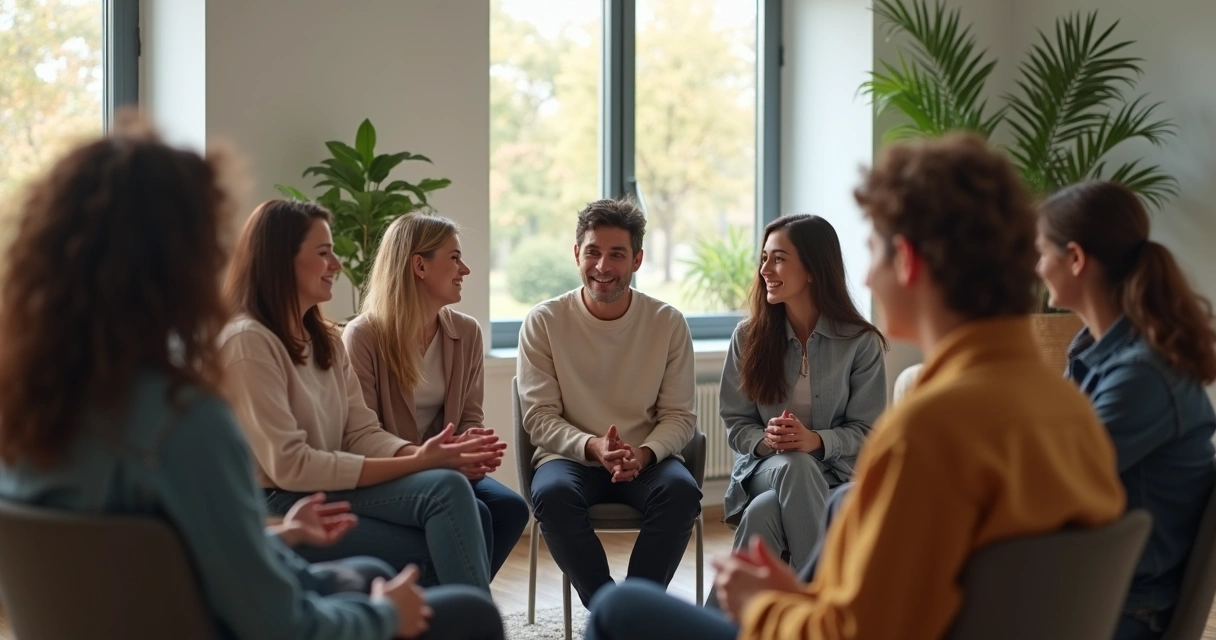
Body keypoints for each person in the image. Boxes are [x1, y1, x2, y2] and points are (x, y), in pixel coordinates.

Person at [584, 133, 1126, 640]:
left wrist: (767, 605)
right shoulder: (1068, 406)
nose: (865, 278)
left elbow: (853, 632)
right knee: (767, 514)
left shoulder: (930, 429)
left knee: (620, 608)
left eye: (873, 252)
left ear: (908, 261)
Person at [0, 116, 504, 640]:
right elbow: (277, 622)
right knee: (472, 613)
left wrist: (282, 537)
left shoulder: (30, 411)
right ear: (176, 263)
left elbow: (176, 553)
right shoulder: (185, 422)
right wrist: (381, 617)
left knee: (375, 570)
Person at [220, 198, 497, 590]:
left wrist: (422, 456)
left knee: (464, 504)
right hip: (280, 501)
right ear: (281, 261)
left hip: (326, 487)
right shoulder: (249, 342)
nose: (336, 264)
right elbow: (291, 466)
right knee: (445, 522)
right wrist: (419, 460)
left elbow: (361, 434)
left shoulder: (326, 340)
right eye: (323, 253)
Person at [1037, 180, 1216, 640]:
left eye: (1042, 253)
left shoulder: (1143, 377)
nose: (1037, 268)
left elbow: (1054, 486)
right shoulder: (1097, 357)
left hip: (1119, 610)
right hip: (1088, 587)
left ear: (1075, 259)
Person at [517, 197, 702, 607]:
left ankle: (636, 607)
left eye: (616, 254)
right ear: (576, 255)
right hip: (571, 458)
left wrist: (644, 452)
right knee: (552, 496)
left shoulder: (667, 323)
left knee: (681, 494)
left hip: (645, 458)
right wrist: (593, 445)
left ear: (636, 259)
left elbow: (679, 415)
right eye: (593, 252)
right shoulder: (544, 321)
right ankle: (608, 610)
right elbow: (539, 417)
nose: (603, 266)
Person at [344, 213, 529, 579]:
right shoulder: (363, 336)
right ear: (419, 266)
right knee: (479, 514)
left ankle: (452, 603)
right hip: (392, 468)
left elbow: (470, 417)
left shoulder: (466, 332)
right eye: (455, 258)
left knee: (511, 509)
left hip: (445, 465)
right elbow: (362, 435)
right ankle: (456, 606)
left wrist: (471, 443)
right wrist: (429, 459)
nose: (466, 269)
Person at [719, 214, 886, 574]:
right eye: (764, 258)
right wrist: (769, 440)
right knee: (794, 466)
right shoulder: (747, 338)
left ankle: (724, 626)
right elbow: (736, 423)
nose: (765, 269)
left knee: (764, 513)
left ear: (812, 269)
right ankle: (826, 601)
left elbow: (868, 430)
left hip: (837, 477)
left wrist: (815, 440)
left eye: (778, 258)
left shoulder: (860, 342)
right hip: (767, 468)